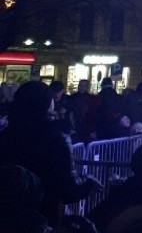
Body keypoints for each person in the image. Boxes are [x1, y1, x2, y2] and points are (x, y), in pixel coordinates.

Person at [0, 80, 99, 224]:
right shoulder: (56, 139)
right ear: (47, 104)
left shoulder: (5, 136)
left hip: (6, 218)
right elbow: (68, 190)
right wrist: (88, 183)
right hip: (41, 219)